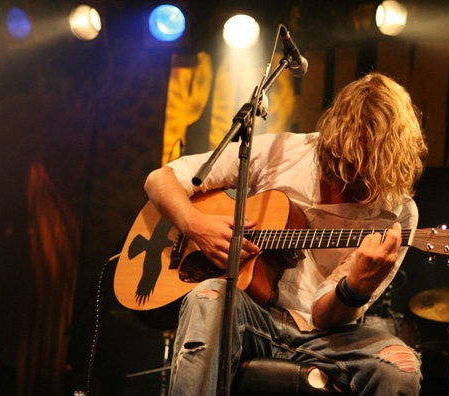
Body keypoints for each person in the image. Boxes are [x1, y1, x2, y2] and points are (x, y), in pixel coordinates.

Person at [144, 72, 428, 395]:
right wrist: (194, 223)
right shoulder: (284, 152)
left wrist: (356, 288)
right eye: (347, 163)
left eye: (367, 169)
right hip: (251, 314)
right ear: (331, 140)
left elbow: (323, 316)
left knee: (400, 368)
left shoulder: (398, 214)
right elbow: (160, 180)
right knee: (208, 296)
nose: (354, 176)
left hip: (327, 336)